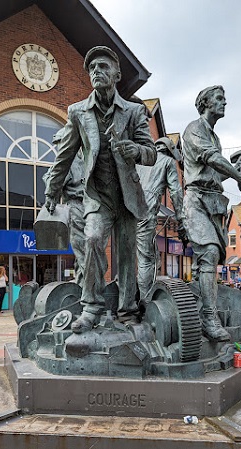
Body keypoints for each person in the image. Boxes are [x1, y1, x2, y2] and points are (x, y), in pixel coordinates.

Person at [44, 46, 156, 333]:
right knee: (93, 240)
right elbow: (65, 156)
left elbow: (151, 153)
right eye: (92, 68)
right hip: (97, 196)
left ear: (117, 74)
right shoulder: (78, 112)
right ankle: (91, 307)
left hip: (127, 196)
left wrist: (135, 150)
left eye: (103, 66)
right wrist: (52, 190)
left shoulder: (133, 111)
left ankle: (127, 309)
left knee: (127, 254)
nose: (96, 71)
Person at [182, 85, 241, 341]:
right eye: (219, 99)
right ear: (205, 103)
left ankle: (199, 310)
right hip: (196, 201)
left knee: (209, 260)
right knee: (210, 253)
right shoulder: (195, 129)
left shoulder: (215, 137)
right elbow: (212, 159)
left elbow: (214, 173)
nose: (225, 103)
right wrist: (240, 177)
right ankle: (208, 318)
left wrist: (237, 170)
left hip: (213, 202)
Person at [136, 137, 186, 305]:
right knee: (146, 260)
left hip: (129, 210)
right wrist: (181, 218)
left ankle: (129, 302)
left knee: (141, 257)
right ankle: (145, 304)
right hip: (146, 212)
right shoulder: (167, 161)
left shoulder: (141, 160)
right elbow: (176, 192)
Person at [44, 129, 85, 285]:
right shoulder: (79, 160)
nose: (59, 147)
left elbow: (54, 181)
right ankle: (85, 286)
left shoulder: (70, 162)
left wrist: (51, 190)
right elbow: (52, 180)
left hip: (81, 207)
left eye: (60, 143)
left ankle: (85, 286)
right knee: (84, 251)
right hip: (78, 206)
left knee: (84, 252)